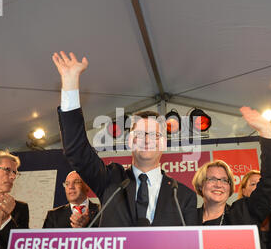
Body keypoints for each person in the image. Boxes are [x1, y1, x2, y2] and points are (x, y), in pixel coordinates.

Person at [53, 51, 198, 226]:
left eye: (154, 135)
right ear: (129, 141)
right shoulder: (111, 181)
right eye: (140, 134)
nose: (146, 139)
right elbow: (77, 151)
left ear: (164, 143)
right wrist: (70, 83)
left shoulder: (182, 196)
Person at [192, 107, 271, 249]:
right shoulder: (187, 219)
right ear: (200, 185)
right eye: (212, 179)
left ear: (230, 188)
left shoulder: (244, 211)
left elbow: (269, 180)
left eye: (224, 180)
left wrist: (266, 133)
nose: (219, 184)